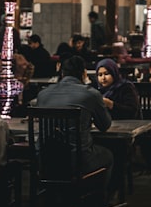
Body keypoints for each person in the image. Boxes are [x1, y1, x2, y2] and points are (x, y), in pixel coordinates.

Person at [35, 55, 114, 199]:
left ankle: (58, 200)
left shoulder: (43, 94)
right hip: (77, 161)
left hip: (45, 160)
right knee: (108, 155)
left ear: (62, 73)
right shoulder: (91, 94)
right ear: (84, 74)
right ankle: (92, 205)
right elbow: (105, 125)